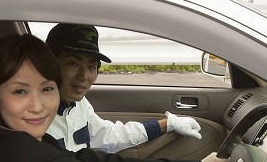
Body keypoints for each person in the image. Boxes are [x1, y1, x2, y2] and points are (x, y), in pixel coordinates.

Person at [0, 33, 267, 162]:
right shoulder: (15, 150)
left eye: (47, 89)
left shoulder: (29, 142)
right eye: (19, 92)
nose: (38, 106)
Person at [45, 23, 202, 153]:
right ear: (49, 64)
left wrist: (168, 124)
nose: (84, 76)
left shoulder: (79, 104)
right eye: (74, 63)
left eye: (91, 66)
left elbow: (109, 136)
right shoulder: (32, 117)